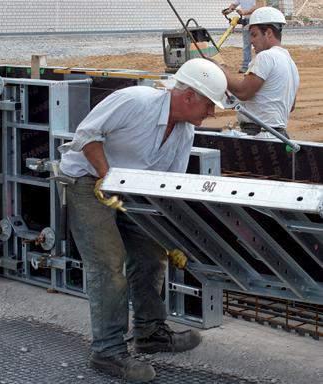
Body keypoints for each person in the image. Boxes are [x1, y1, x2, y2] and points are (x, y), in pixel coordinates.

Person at [58, 58, 228, 383]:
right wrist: (107, 178)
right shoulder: (136, 101)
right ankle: (107, 351)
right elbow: (87, 134)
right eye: (209, 103)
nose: (212, 112)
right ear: (189, 95)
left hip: (132, 191)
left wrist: (169, 238)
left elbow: (168, 187)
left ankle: (150, 332)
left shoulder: (184, 131)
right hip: (88, 181)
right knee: (109, 264)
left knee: (152, 255)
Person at [223, 6, 299, 138]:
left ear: (268, 33)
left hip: (258, 135)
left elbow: (243, 92)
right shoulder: (290, 62)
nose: (251, 41)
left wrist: (221, 70)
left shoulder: (266, 57)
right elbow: (290, 106)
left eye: (254, 34)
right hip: (279, 136)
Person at [223, 0, 260, 73]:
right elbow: (234, 5)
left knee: (259, 44)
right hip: (246, 21)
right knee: (246, 44)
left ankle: (259, 65)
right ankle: (246, 66)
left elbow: (257, 6)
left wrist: (244, 12)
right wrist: (229, 10)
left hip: (258, 20)